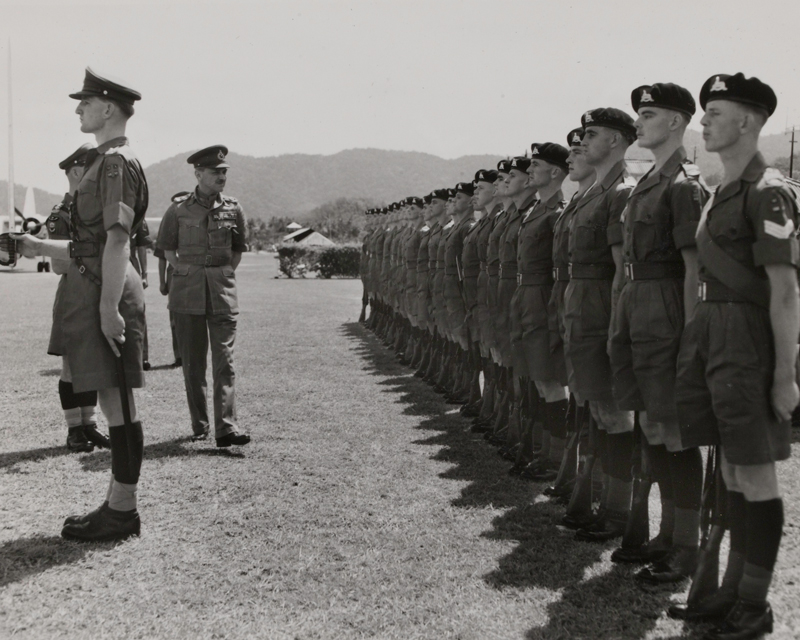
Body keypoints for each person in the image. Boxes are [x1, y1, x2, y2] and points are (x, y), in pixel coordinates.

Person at [671, 74, 799, 640]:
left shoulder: (769, 190)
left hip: (748, 346)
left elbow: (786, 291)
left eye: (714, 111)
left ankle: (754, 603)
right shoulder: (722, 189)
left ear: (746, 121)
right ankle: (730, 591)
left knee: (753, 474)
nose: (704, 122)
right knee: (731, 472)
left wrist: (785, 376)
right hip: (715, 341)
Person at [15, 67, 149, 541]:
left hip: (104, 290)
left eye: (85, 102)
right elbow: (87, 246)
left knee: (118, 403)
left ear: (108, 108)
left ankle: (122, 510)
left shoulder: (113, 163)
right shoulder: (102, 160)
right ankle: (119, 505)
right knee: (114, 402)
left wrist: (109, 308)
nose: (78, 109)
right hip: (96, 282)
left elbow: (116, 241)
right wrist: (36, 247)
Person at [608, 83, 709, 583]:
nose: (640, 122)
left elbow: (694, 271)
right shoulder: (650, 180)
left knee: (675, 431)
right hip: (638, 309)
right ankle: (667, 534)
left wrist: (692, 338)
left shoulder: (684, 186)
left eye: (648, 114)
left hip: (667, 311)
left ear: (675, 122)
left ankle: (686, 546)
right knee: (651, 427)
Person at [563, 108, 638, 542]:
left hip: (603, 313)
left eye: (592, 134)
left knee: (614, 414)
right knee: (597, 408)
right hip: (583, 310)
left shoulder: (621, 193)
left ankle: (617, 510)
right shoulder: (596, 193)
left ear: (616, 140)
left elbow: (620, 270)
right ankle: (599, 500)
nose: (585, 141)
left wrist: (616, 330)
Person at [156, 145, 251, 447]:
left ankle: (227, 428)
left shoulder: (234, 209)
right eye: (215, 172)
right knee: (193, 363)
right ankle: (200, 424)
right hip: (187, 293)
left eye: (224, 171)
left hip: (222, 292)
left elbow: (237, 251)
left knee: (225, 361)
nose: (222, 176)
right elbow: (168, 250)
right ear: (198, 174)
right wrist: (189, 270)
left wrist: (219, 272)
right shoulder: (178, 210)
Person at [512, 142, 570, 481]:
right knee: (537, 376)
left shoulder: (555, 212)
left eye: (536, 165)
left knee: (548, 380)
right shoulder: (535, 211)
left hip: (543, 297)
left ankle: (554, 459)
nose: (530, 170)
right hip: (526, 296)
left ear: (555, 172)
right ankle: (543, 452)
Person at [46, 143, 109, 453]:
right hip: (74, 294)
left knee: (93, 361)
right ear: (75, 172)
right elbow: (58, 264)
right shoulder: (60, 215)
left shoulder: (96, 212)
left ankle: (90, 425)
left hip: (96, 290)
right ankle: (74, 430)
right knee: (72, 366)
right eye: (89, 169)